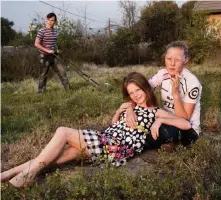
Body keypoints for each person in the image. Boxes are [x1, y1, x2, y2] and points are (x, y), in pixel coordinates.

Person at [0, 72, 191, 188]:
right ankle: (8, 174)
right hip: (106, 139)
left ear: (146, 88)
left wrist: (159, 121)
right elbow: (114, 124)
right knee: (57, 156)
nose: (135, 96)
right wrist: (121, 110)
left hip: (114, 147)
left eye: (138, 91)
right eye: (131, 93)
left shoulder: (156, 111)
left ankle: (26, 176)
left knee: (62, 131)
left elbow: (186, 124)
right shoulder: (129, 105)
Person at [126, 41, 202, 150]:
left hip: (187, 127)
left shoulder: (192, 83)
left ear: (185, 60)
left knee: (164, 132)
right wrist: (129, 109)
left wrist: (175, 94)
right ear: (164, 58)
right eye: (169, 59)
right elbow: (141, 92)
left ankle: (135, 144)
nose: (172, 64)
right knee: (137, 118)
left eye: (177, 60)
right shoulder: (162, 74)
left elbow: (184, 119)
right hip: (165, 118)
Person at [34, 12, 69, 94]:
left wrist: (56, 50)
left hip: (54, 56)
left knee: (62, 71)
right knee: (43, 75)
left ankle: (68, 90)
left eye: (52, 20)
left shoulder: (55, 32)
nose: (50, 22)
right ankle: (41, 92)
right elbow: (36, 44)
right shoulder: (41, 31)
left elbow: (53, 43)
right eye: (49, 20)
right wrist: (47, 50)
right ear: (46, 20)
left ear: (55, 21)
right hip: (44, 56)